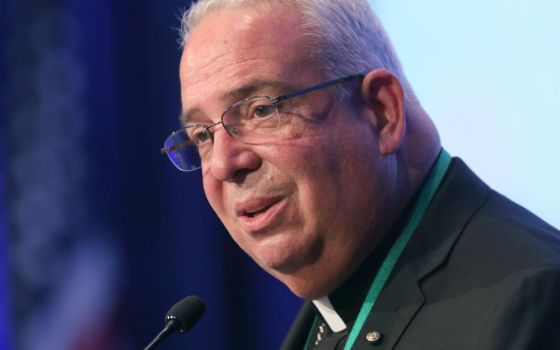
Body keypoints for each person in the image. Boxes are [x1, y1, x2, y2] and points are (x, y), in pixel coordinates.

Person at [160, 0, 560, 348]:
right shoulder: (333, 312)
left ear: (382, 113)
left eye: (261, 110)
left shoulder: (531, 303)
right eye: (201, 136)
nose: (224, 164)